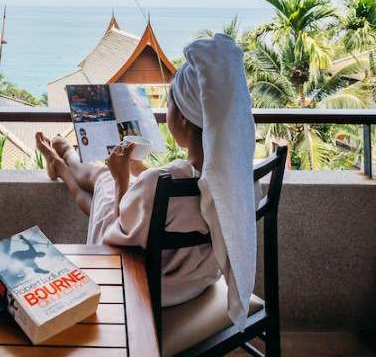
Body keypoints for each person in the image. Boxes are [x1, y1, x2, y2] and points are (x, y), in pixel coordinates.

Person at [37, 33, 257, 325]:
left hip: (150, 283)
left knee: (103, 179)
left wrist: (120, 179)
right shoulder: (239, 179)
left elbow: (114, 241)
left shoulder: (158, 184)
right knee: (108, 181)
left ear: (183, 119)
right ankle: (65, 162)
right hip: (196, 282)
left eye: (170, 105)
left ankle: (65, 164)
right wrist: (138, 171)